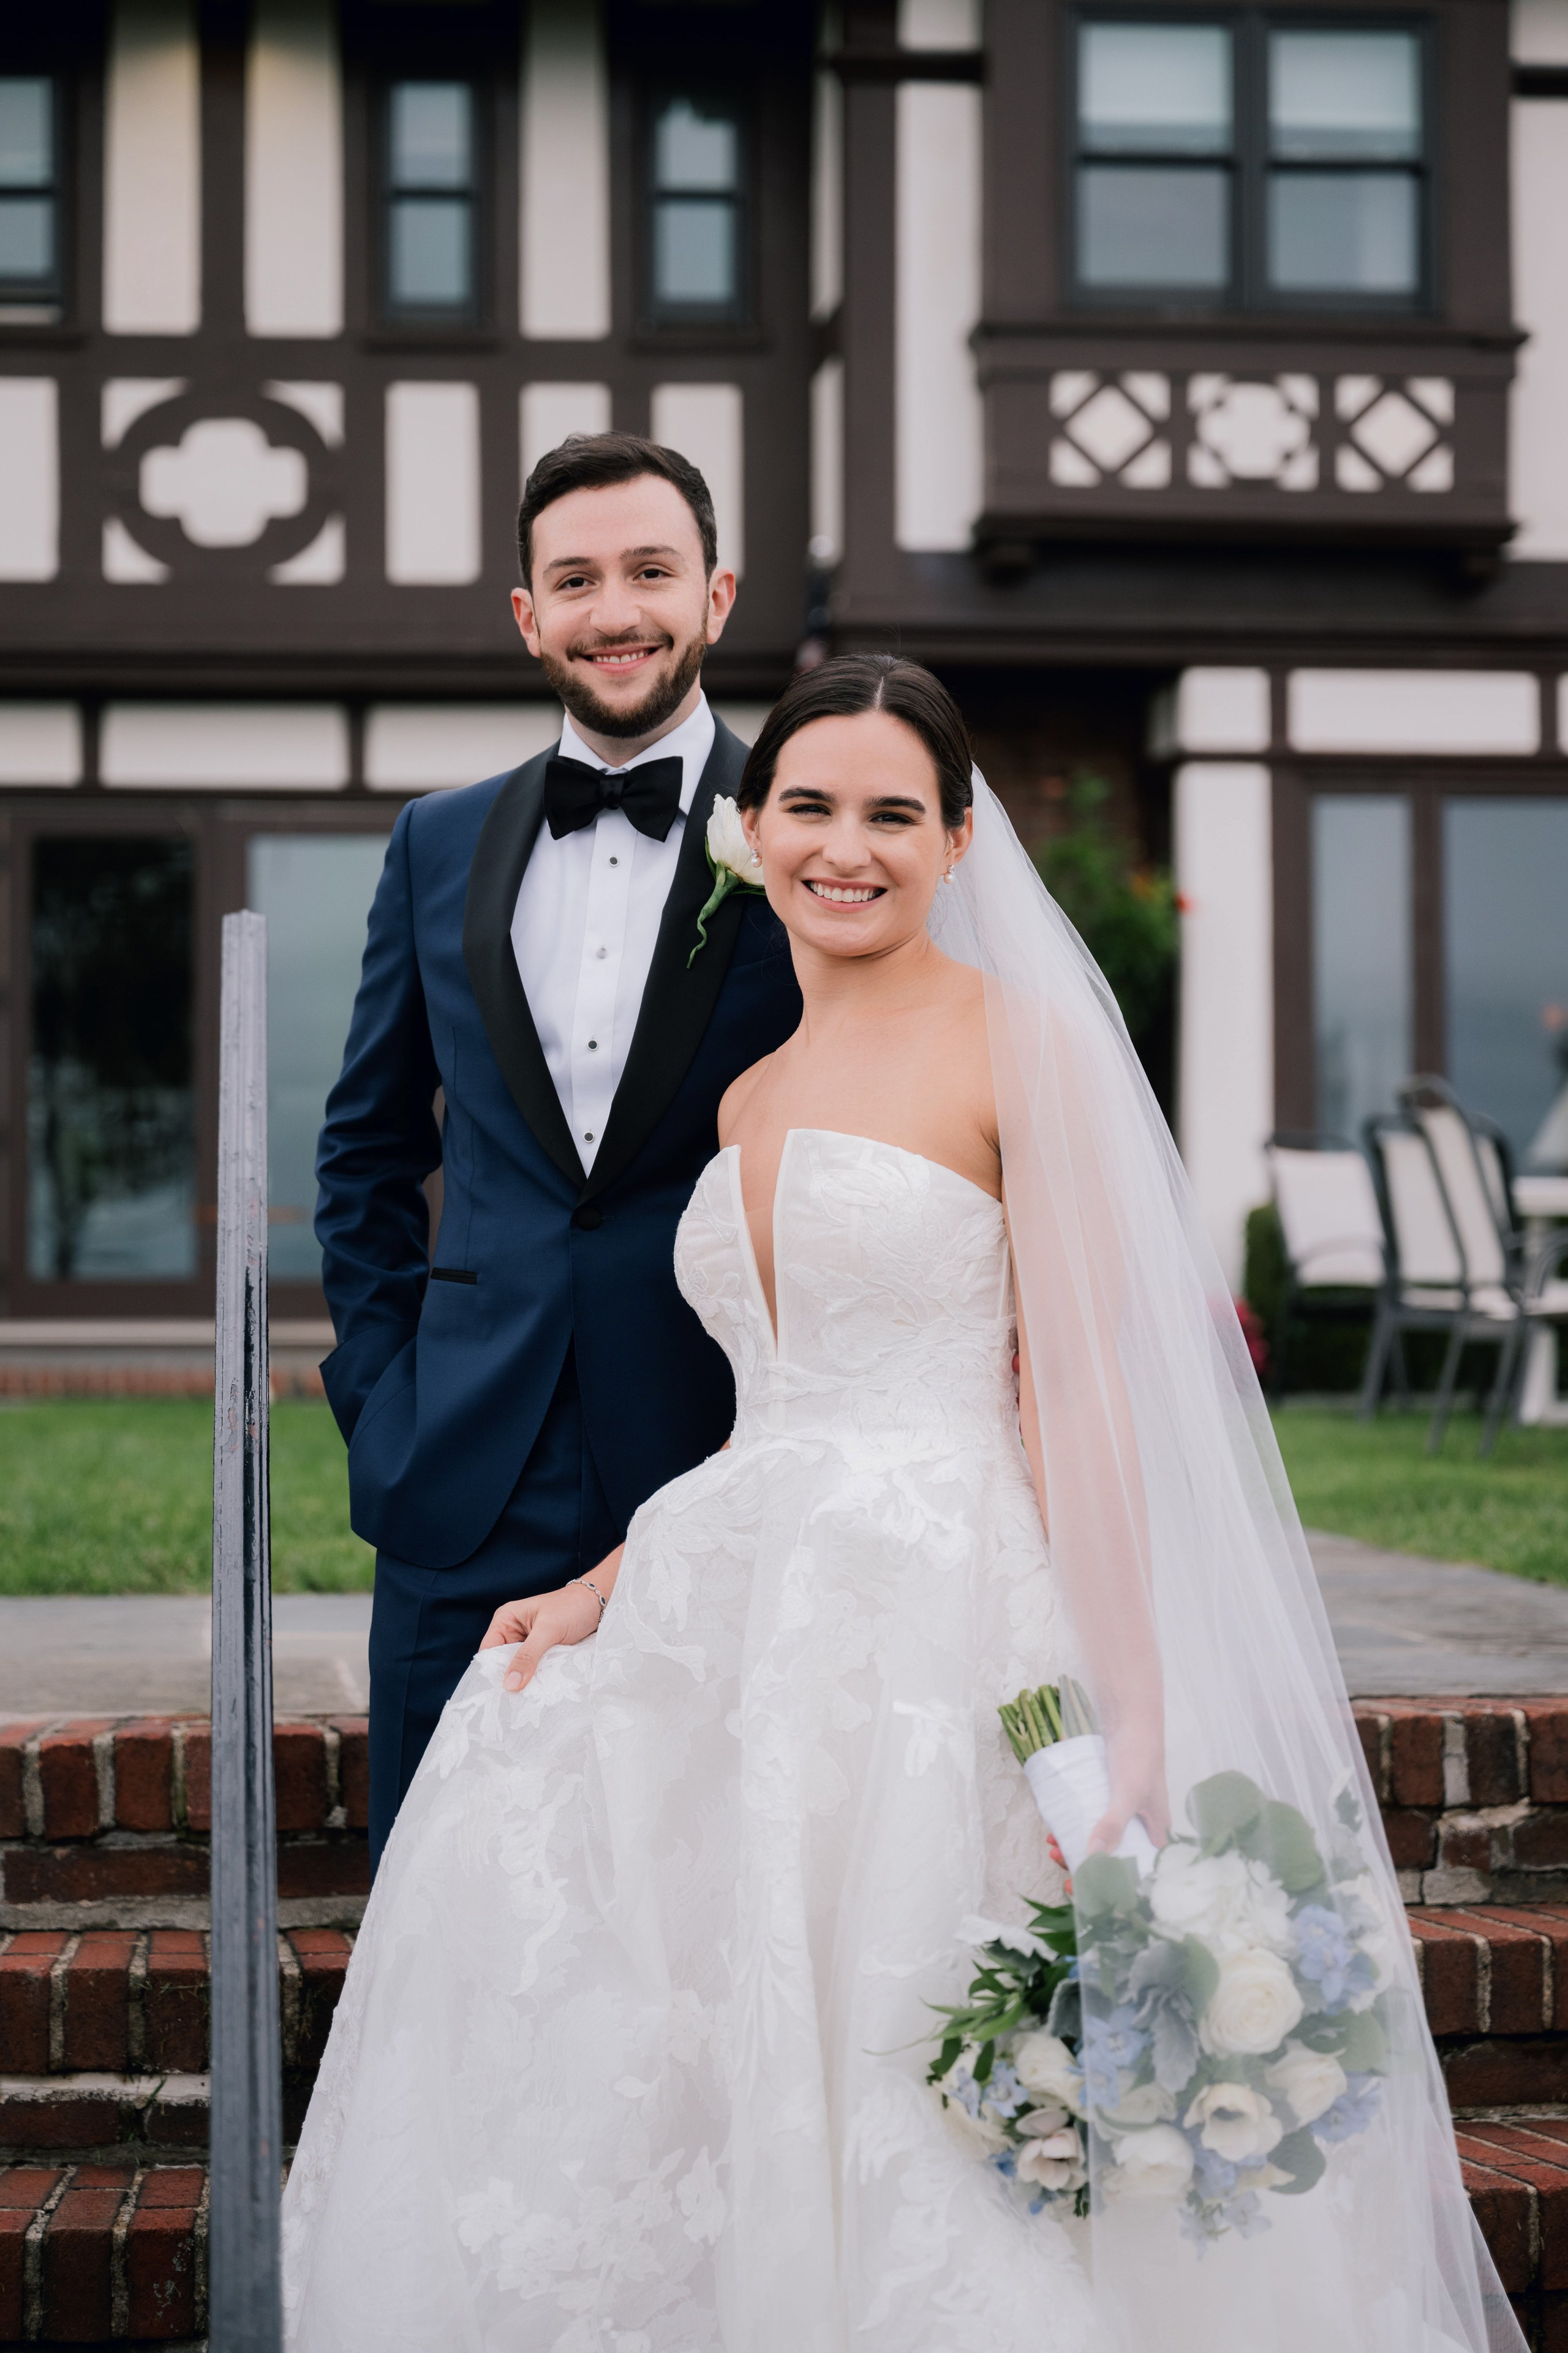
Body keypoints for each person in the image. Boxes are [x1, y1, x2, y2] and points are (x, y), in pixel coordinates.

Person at [285, 658, 1520, 2353]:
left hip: (940, 1619)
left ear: (956, 840)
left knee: (916, 2050)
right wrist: (601, 1581)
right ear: (753, 830)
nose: (843, 846)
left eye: (890, 814)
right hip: (742, 1591)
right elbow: (778, 1415)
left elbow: (1074, 1397)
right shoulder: (750, 1091)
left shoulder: (1020, 1047)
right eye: (808, 806)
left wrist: (1135, 1717)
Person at [314, 433, 801, 1869]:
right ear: (528, 615)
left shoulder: (810, 831)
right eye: (574, 579)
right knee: (441, 1883)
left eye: (650, 571)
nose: (615, 610)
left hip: (720, 1445)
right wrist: (383, 1395)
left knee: (698, 1882)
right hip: (466, 1458)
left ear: (716, 594)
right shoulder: (434, 842)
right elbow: (365, 1148)